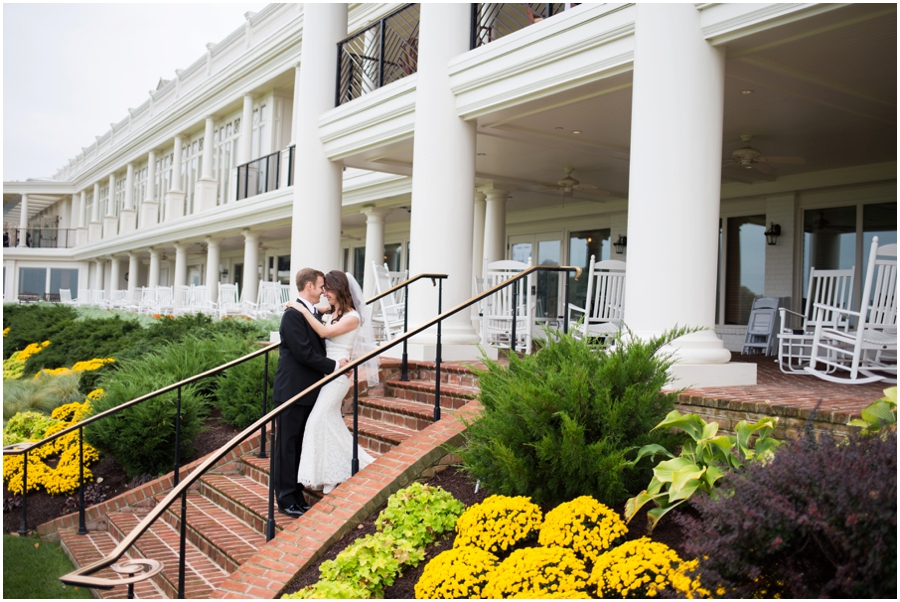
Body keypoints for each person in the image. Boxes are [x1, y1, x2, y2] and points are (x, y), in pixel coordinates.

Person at [288, 270, 377, 494]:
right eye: (323, 288)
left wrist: (299, 308)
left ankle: (356, 466)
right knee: (329, 422)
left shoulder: (352, 317)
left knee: (317, 421)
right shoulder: (333, 310)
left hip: (337, 378)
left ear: (339, 289)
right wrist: (303, 306)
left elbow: (324, 331)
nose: (325, 293)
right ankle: (332, 474)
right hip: (326, 374)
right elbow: (314, 309)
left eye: (328, 289)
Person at [272, 268, 349, 518]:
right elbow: (304, 353)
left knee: (297, 445)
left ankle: (296, 495)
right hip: (291, 391)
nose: (323, 291)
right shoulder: (292, 316)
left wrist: (326, 310)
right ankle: (285, 499)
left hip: (308, 390)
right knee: (286, 446)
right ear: (308, 287)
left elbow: (321, 317)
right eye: (320, 286)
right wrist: (336, 366)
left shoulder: (311, 311)